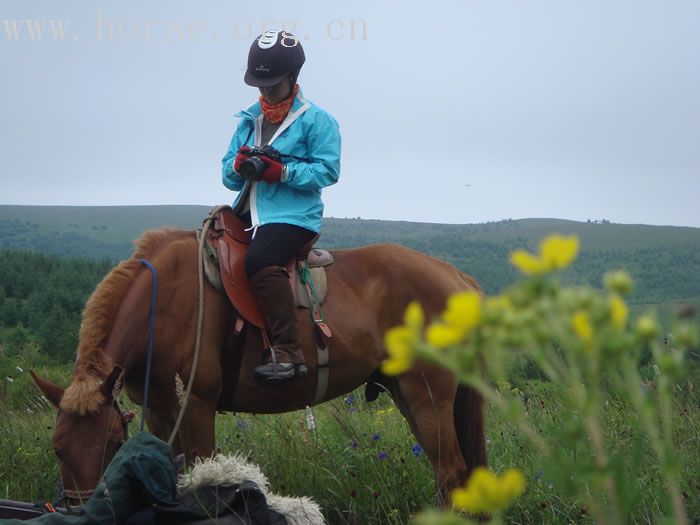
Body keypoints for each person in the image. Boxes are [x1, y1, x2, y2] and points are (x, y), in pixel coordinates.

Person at [221, 30, 341, 382]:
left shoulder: (318, 120)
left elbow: (328, 170)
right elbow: (227, 176)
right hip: (247, 212)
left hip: (293, 217)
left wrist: (282, 172)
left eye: (272, 82)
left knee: (261, 259)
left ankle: (289, 352)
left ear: (293, 76)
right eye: (260, 83)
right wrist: (238, 166)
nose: (265, 90)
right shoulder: (247, 119)